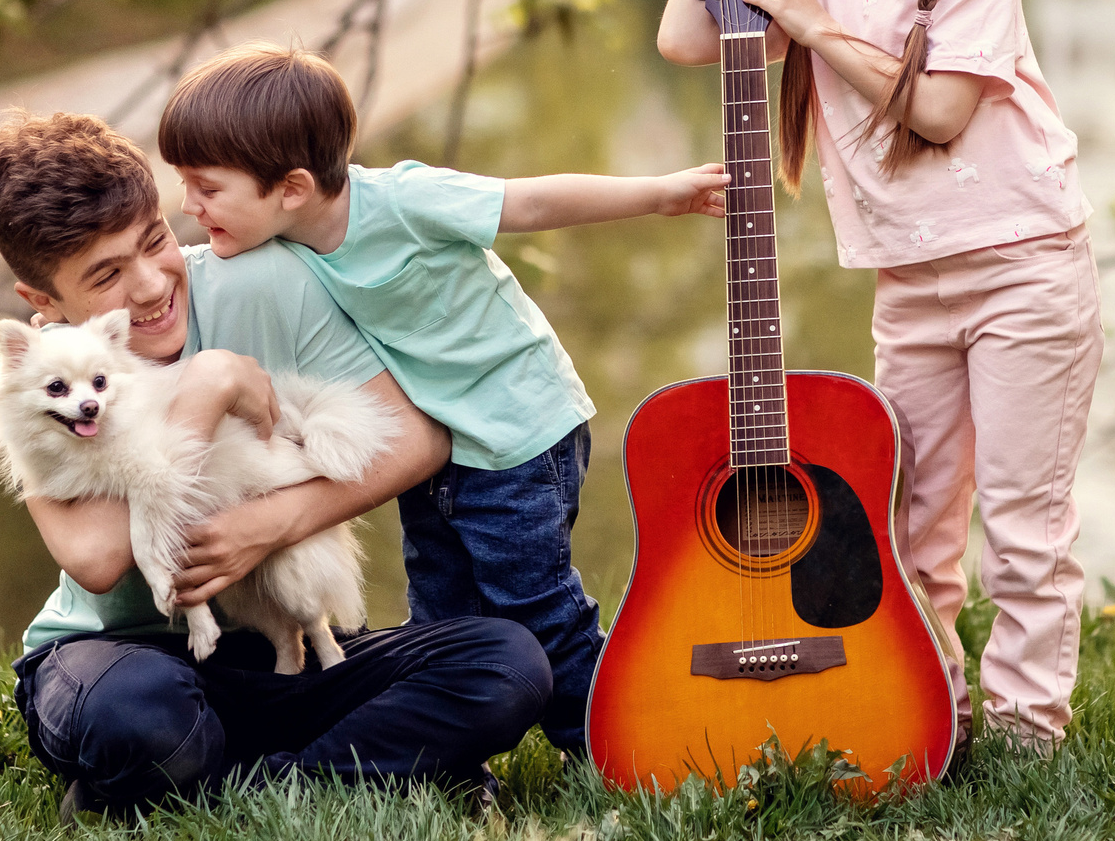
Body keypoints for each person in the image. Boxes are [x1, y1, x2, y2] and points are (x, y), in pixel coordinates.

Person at [654, 0, 1103, 751]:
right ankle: (927, 714)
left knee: (1022, 526)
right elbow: (685, 39)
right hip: (910, 284)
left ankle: (1030, 733)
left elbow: (942, 112)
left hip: (1020, 269)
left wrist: (814, 25)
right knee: (910, 521)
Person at [0, 109, 551, 817]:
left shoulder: (261, 281)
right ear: (43, 301)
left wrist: (269, 525)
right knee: (135, 713)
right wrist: (205, 385)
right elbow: (95, 558)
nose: (151, 286)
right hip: (122, 654)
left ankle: (240, 782)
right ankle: (346, 760)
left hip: (285, 643)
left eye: (154, 241)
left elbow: (418, 437)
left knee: (507, 665)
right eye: (105, 275)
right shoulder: (46, 382)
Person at [156, 45, 728, 756]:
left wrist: (661, 192)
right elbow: (193, 275)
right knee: (442, 617)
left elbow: (528, 200)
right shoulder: (281, 243)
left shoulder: (402, 201)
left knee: (536, 608)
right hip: (447, 446)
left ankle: (625, 752)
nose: (189, 204)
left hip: (519, 434)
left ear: (293, 187)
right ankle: (456, 759)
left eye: (205, 186)